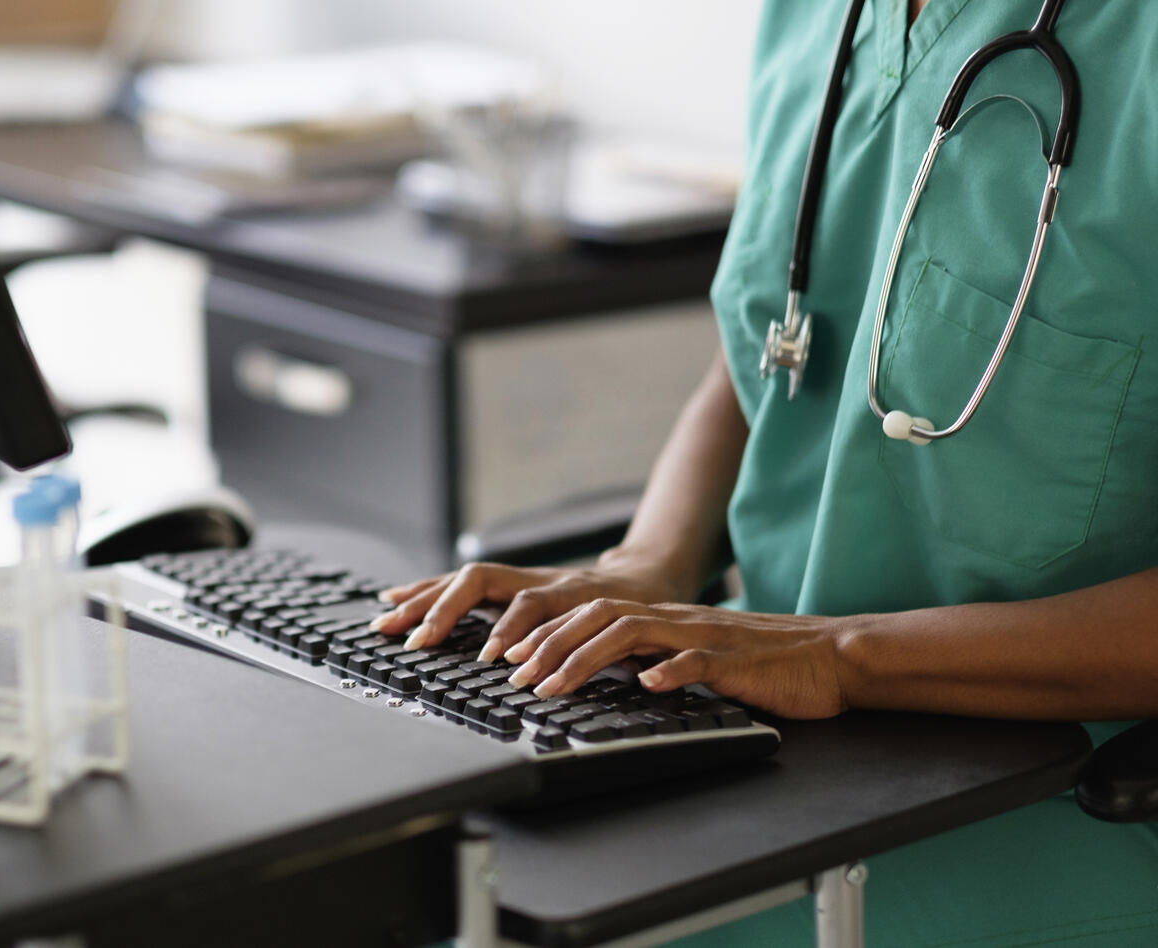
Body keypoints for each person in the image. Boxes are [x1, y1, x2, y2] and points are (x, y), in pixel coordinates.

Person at [374, 0, 1158, 944]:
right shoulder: (818, 18)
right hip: (748, 750)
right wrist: (648, 561)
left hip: (1035, 812)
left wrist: (839, 655)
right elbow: (770, 346)